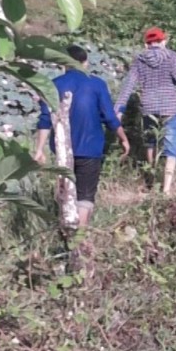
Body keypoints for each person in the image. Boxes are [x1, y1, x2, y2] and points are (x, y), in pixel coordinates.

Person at [34, 45, 130, 228]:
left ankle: (66, 231)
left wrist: (39, 149)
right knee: (85, 195)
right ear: (85, 62)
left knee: (66, 192)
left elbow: (45, 120)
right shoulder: (97, 84)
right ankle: (79, 237)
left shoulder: (54, 84)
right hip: (90, 148)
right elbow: (109, 117)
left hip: (63, 149)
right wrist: (123, 138)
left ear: (64, 64)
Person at [115, 27, 176, 197]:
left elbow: (129, 85)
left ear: (147, 44)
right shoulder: (172, 57)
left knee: (150, 142)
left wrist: (119, 108)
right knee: (171, 146)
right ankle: (166, 188)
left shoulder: (140, 60)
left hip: (149, 106)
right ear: (163, 41)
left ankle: (151, 179)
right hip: (170, 107)